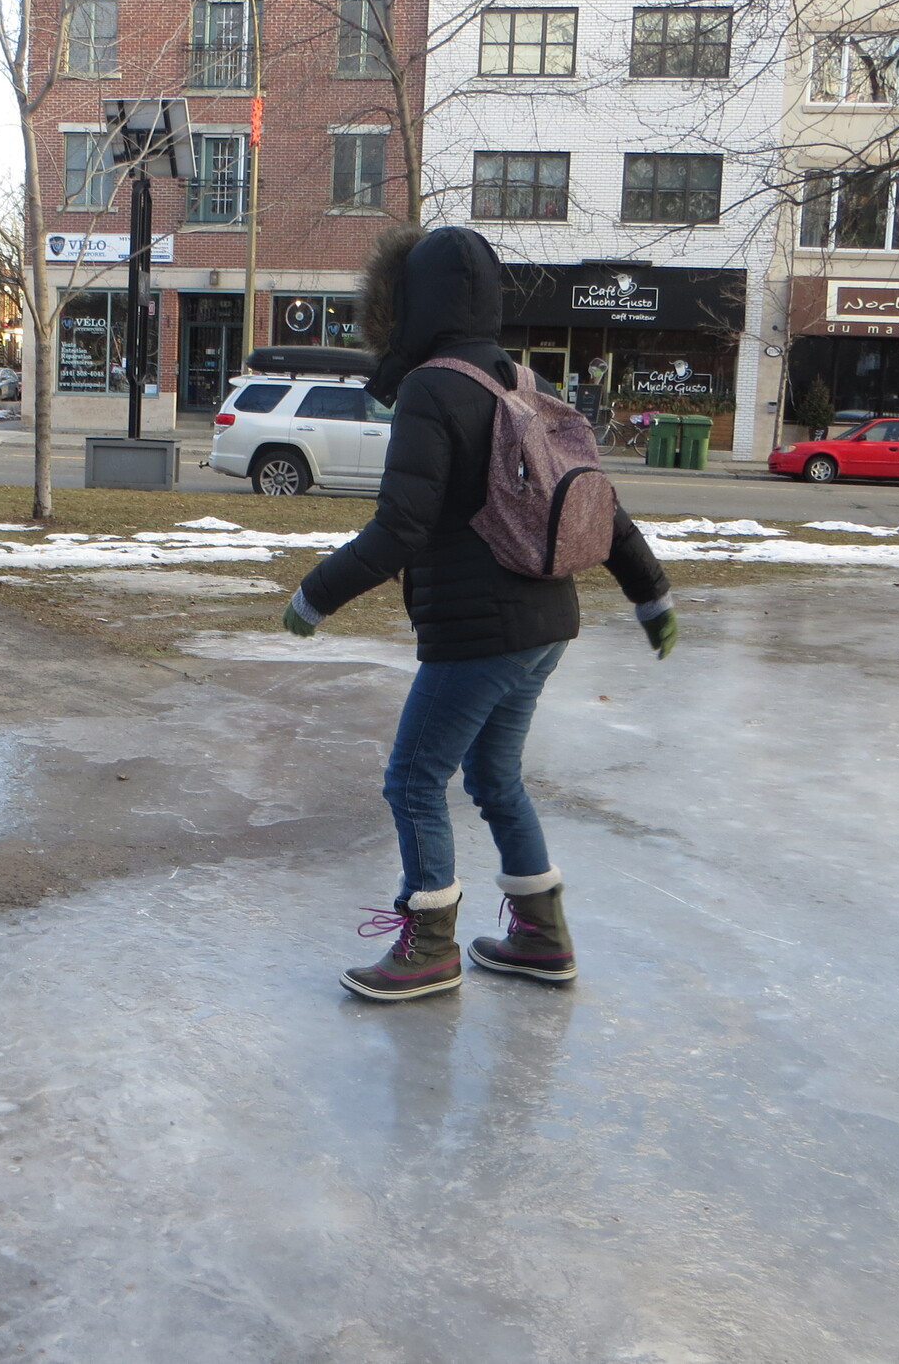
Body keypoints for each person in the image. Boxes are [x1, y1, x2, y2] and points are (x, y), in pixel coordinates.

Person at [282, 226, 678, 1002]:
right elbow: (603, 507)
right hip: (545, 624)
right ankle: (541, 936)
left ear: (409, 305)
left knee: (413, 778)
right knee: (495, 776)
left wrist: (314, 595)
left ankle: (430, 945)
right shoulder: (523, 382)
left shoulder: (432, 388)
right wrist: (650, 593)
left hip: (479, 629)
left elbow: (402, 527)